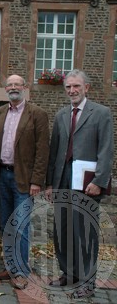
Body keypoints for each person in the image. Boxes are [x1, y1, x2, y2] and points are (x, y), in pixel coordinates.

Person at [46, 69, 114, 299]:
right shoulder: (62, 115)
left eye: (76, 86)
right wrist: (50, 183)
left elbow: (106, 150)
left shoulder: (101, 113)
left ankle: (87, 281)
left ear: (87, 88)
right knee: (62, 230)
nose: (72, 90)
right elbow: (54, 150)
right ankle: (69, 273)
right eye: (68, 87)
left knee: (84, 232)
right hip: (63, 179)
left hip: (87, 183)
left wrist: (99, 181)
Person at [0, 75, 49, 290]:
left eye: (17, 84)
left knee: (21, 225)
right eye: (10, 85)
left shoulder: (37, 115)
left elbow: (42, 151)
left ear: (25, 87)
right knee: (6, 225)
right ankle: (11, 267)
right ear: (6, 89)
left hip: (24, 179)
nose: (13, 87)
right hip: (2, 176)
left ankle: (22, 272)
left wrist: (37, 181)